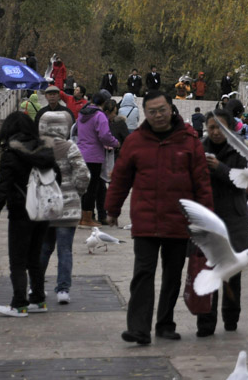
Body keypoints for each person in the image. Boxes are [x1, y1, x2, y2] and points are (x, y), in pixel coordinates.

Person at [105, 90, 213, 344]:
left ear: (171, 108)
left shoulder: (189, 140)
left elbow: (202, 182)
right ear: (145, 113)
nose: (158, 115)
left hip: (178, 220)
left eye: (162, 109)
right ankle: (139, 329)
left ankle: (165, 324)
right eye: (152, 111)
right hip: (145, 220)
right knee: (143, 273)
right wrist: (112, 209)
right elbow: (120, 178)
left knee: (172, 276)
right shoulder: (135, 141)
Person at [0, 112, 58, 317]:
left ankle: (19, 303)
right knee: (34, 257)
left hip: (20, 211)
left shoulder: (11, 152)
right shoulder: (45, 149)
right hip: (42, 211)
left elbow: (3, 186)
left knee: (17, 260)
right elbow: (56, 177)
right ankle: (38, 299)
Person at [197, 109, 248, 336]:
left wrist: (220, 168)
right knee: (208, 268)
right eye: (211, 127)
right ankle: (206, 323)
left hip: (233, 219)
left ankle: (231, 318)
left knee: (231, 272)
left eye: (221, 127)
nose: (216, 132)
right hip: (207, 219)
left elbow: (244, 182)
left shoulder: (241, 150)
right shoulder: (199, 149)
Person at [37, 111, 91, 306]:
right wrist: (78, 192)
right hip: (68, 207)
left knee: (43, 248)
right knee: (65, 249)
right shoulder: (70, 147)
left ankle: (35, 286)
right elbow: (83, 174)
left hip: (44, 208)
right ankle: (63, 290)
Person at [75, 92, 119, 227]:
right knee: (92, 188)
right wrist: (115, 143)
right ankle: (87, 219)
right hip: (94, 156)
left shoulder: (82, 114)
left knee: (85, 187)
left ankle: (83, 216)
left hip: (81, 153)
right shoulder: (100, 116)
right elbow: (105, 135)